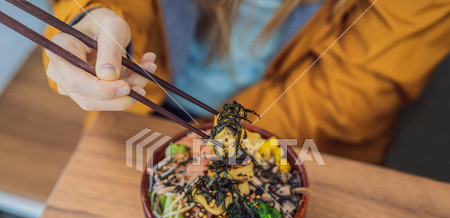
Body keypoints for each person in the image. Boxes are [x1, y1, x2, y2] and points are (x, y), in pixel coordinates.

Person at [44, 0, 450, 163]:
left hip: (299, 143)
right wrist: (93, 16)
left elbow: (357, 88)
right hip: (134, 114)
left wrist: (222, 142)